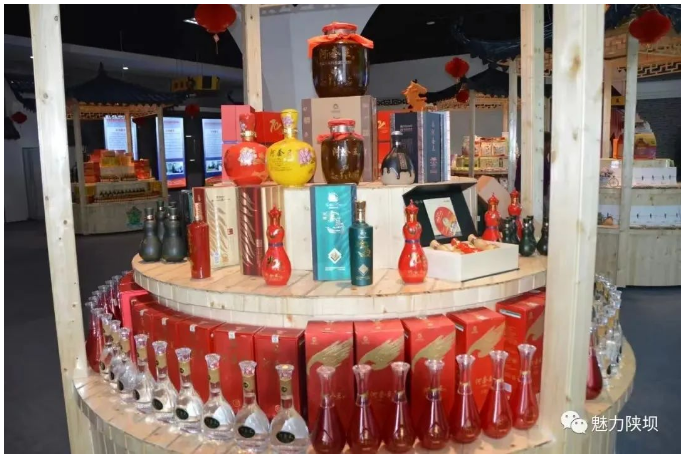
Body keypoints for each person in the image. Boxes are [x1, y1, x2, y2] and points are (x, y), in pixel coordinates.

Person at [515, 132, 551, 216]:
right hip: (531, 196)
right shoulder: (532, 157)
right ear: (545, 144)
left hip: (539, 195)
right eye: (549, 144)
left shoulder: (543, 158)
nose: (550, 148)